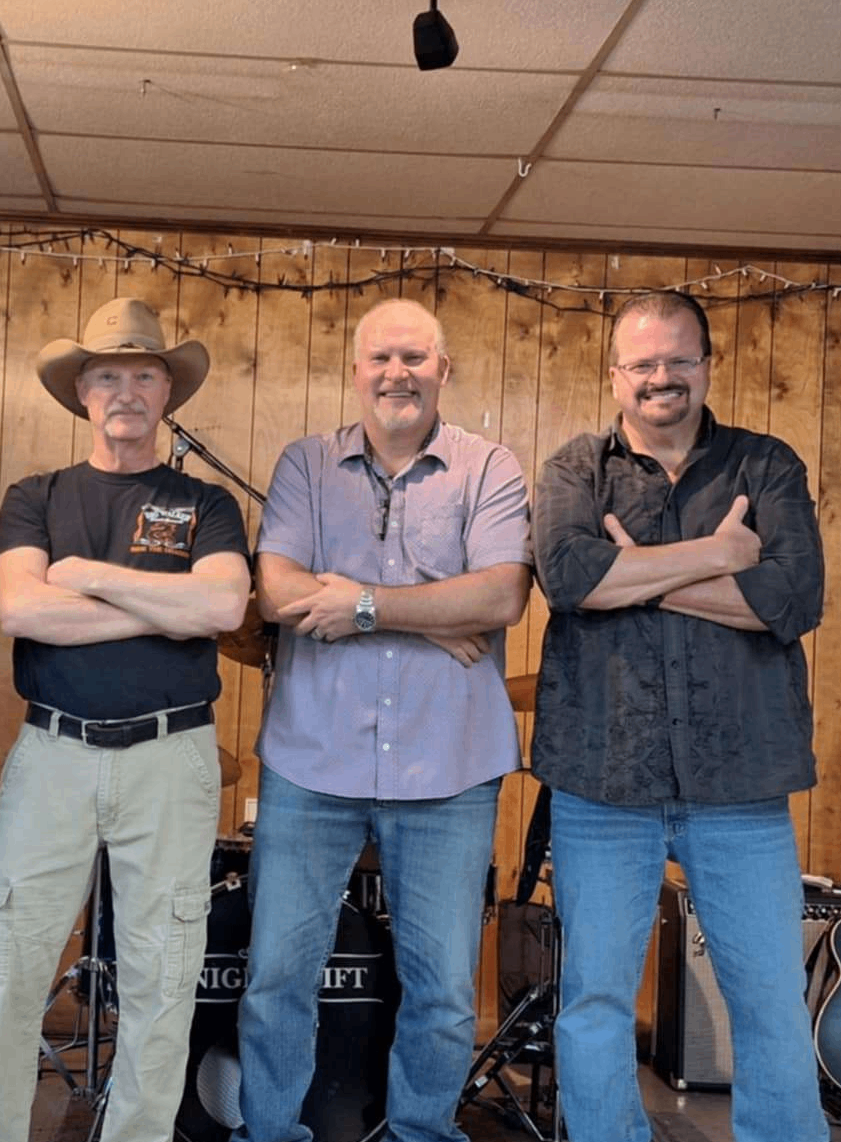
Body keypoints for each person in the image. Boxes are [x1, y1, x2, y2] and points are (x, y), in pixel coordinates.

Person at [0, 297, 251, 1142]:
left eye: (143, 374)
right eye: (107, 375)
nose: (126, 390)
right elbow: (21, 612)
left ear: (167, 393)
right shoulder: (36, 496)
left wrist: (83, 573)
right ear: (81, 392)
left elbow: (225, 604)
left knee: (162, 975)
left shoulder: (205, 505)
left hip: (171, 754)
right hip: (53, 751)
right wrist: (166, 607)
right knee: (7, 970)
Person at [531, 289, 829, 1142]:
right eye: (644, 363)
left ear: (707, 365)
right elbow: (570, 579)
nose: (662, 377)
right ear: (614, 374)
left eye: (679, 360)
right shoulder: (573, 471)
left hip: (741, 783)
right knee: (592, 996)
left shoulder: (766, 465)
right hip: (602, 779)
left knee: (769, 996)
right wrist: (718, 557)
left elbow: (792, 596)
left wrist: (644, 573)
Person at [234, 298, 532, 1142]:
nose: (396, 374)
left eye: (414, 357)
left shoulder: (490, 468)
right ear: (356, 370)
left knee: (440, 987)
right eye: (380, 359)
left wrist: (361, 602)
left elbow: (502, 594)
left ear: (444, 370)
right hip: (309, 761)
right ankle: (272, 1134)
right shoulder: (305, 465)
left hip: (451, 768)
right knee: (276, 978)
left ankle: (420, 1134)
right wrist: (434, 617)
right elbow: (279, 591)